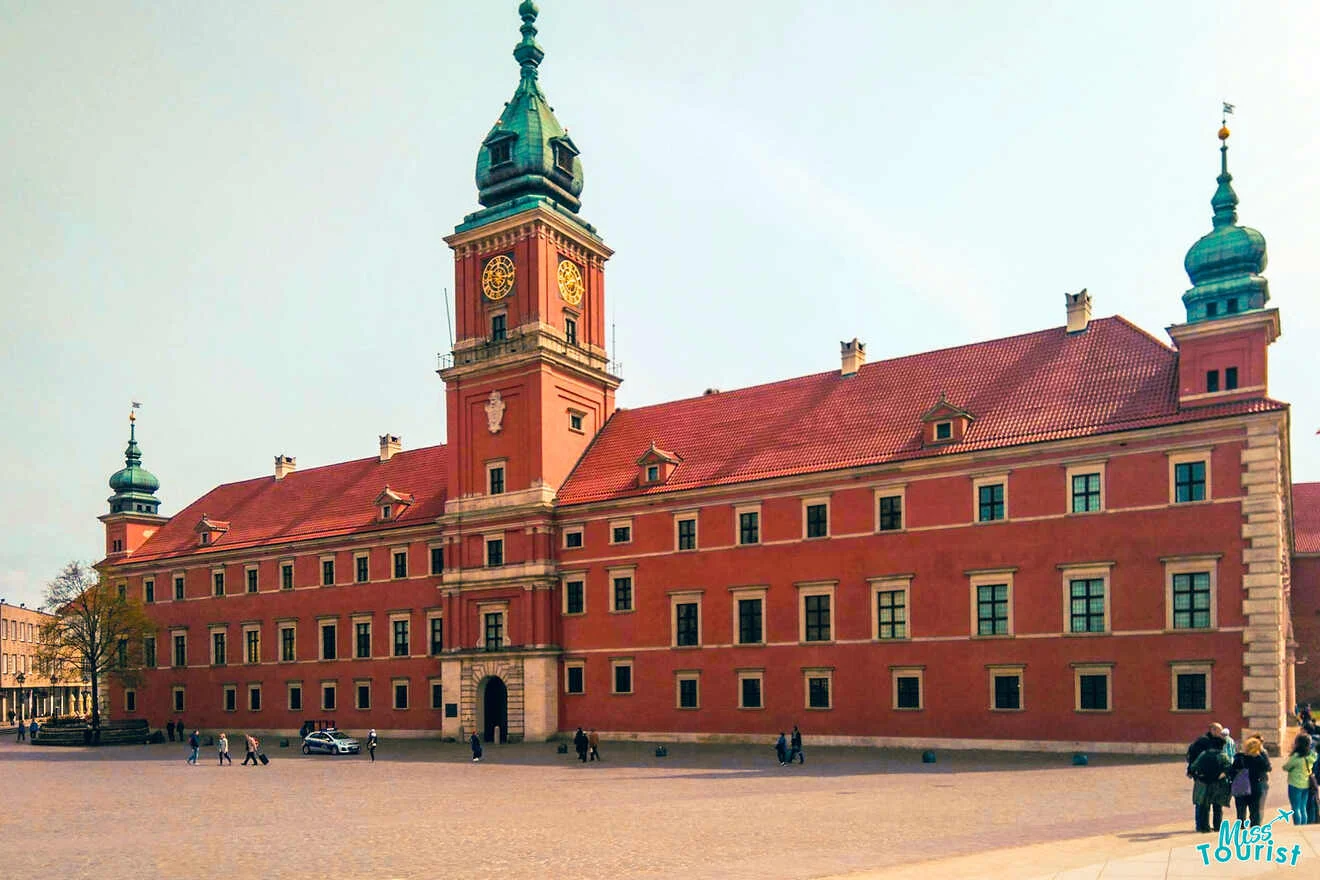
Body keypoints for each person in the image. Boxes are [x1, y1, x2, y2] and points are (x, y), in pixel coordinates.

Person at [1188, 726, 1231, 832]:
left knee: (1205, 806)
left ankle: (1204, 827)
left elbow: (1194, 766)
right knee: (1217, 806)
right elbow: (1229, 768)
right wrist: (1223, 774)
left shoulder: (1204, 754)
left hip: (1204, 783)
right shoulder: (1223, 756)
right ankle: (1217, 826)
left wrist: (1196, 774)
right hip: (1218, 784)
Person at [1229, 734, 1270, 827]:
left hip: (1241, 786)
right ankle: (1254, 829)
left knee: (1240, 811)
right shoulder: (1259, 759)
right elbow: (1267, 768)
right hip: (1255, 786)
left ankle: (1241, 829)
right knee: (1255, 811)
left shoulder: (1239, 757)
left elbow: (1231, 771)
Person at [1281, 732, 1317, 825]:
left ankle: (1297, 826)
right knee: (1303, 807)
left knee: (1295, 807)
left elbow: (1286, 767)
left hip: (1295, 784)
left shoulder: (1296, 757)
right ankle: (1303, 826)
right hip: (1306, 784)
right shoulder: (1312, 756)